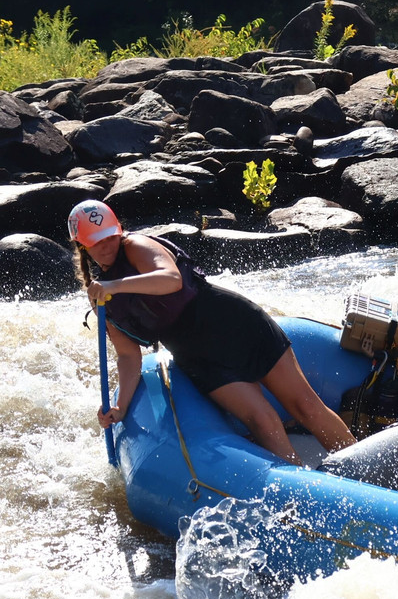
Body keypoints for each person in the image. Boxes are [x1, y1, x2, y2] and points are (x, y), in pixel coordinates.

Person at [69, 199, 355, 466]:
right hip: (198, 356)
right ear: (82, 246)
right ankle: (304, 494)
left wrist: (115, 286)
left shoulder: (135, 246)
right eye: (97, 241)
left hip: (235, 325)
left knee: (305, 407)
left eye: (109, 235)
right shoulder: (99, 296)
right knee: (262, 420)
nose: (106, 245)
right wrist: (119, 408)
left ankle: (362, 473)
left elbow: (171, 280)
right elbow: (128, 356)